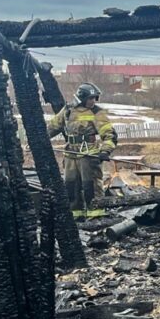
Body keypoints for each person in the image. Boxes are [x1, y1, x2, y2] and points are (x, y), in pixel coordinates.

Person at [47, 82, 117, 219]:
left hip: (88, 155)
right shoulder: (68, 110)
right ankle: (75, 215)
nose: (93, 101)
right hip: (70, 154)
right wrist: (39, 140)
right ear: (82, 97)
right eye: (91, 98)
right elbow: (53, 127)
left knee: (91, 186)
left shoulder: (97, 112)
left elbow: (109, 134)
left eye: (95, 98)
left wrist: (105, 151)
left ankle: (96, 215)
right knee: (71, 186)